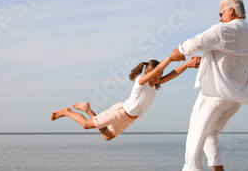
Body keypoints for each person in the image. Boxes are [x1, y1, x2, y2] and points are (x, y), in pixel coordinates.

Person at [170, 0, 248, 171]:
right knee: (211, 132)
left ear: (231, 12)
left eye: (221, 13)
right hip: (235, 98)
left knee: (195, 134)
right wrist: (206, 61)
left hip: (215, 94)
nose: (219, 18)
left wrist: (179, 50)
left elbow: (197, 41)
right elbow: (228, 58)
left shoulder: (225, 29)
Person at [51, 55, 196, 140]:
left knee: (107, 136)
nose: (157, 80)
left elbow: (173, 73)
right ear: (146, 72)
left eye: (159, 78)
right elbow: (157, 70)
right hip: (120, 112)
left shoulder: (154, 85)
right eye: (155, 77)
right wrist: (170, 58)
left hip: (129, 119)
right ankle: (66, 112)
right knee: (86, 125)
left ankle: (87, 109)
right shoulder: (142, 82)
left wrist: (188, 64)